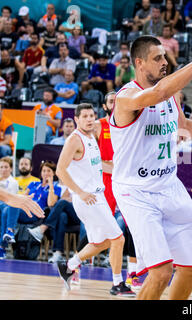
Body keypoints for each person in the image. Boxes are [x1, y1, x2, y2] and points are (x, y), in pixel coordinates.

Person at [109, 23, 192, 300]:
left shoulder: (170, 95)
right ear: (139, 63)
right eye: (158, 58)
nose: (165, 62)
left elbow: (186, 127)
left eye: (165, 57)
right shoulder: (126, 98)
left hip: (168, 185)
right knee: (161, 272)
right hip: (135, 191)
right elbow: (157, 93)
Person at [55, 103, 134, 296]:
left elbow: (98, 165)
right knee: (118, 238)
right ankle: (117, 284)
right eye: (85, 116)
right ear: (77, 119)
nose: (90, 119)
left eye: (92, 115)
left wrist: (120, 173)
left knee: (103, 242)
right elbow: (60, 170)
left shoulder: (91, 136)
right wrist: (80, 192)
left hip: (97, 196)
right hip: (88, 199)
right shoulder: (74, 140)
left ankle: (69, 266)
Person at [93, 91, 142, 288]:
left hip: (128, 180)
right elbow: (93, 160)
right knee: (100, 229)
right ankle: (75, 264)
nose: (114, 104)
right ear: (105, 106)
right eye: (111, 101)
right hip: (106, 180)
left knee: (133, 228)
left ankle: (132, 274)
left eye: (117, 101)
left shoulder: (131, 124)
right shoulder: (99, 125)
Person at [1, 161, 61, 246]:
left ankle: (5, 240)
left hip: (36, 213)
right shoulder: (33, 184)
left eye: (48, 171)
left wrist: (51, 184)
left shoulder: (56, 187)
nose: (46, 173)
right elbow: (22, 198)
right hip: (25, 210)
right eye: (44, 171)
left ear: (53, 173)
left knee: (10, 207)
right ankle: (8, 235)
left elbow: (51, 204)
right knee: (5, 208)